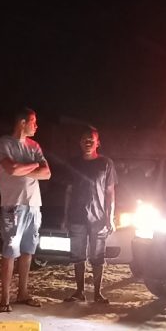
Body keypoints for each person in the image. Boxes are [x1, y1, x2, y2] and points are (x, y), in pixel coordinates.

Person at [0, 108, 51, 311]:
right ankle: (4, 298)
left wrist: (25, 167)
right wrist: (33, 165)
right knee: (10, 251)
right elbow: (12, 169)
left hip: (34, 204)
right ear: (22, 122)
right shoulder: (2, 143)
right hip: (13, 205)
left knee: (28, 250)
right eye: (33, 122)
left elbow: (47, 173)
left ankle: (23, 293)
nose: (36, 126)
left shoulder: (34, 146)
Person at [62, 127, 117, 304]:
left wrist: (110, 217)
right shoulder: (73, 163)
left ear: (97, 143)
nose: (88, 142)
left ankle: (98, 293)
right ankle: (79, 292)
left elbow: (110, 192)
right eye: (84, 139)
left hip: (98, 218)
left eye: (91, 140)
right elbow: (68, 191)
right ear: (80, 142)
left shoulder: (106, 164)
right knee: (78, 255)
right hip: (76, 216)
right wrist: (65, 217)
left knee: (97, 257)